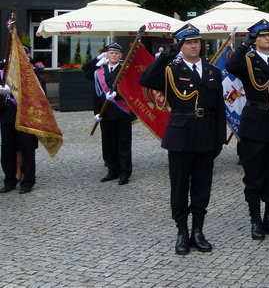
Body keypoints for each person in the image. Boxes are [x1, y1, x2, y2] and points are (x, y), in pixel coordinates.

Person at [140, 23, 227, 256]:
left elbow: (219, 107)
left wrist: (220, 138)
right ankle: (182, 231)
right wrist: (165, 57)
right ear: (181, 46)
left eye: (196, 42)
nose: (193, 46)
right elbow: (146, 80)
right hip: (180, 135)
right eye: (188, 43)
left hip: (206, 134)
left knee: (201, 187)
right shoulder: (171, 70)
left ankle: (198, 230)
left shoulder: (212, 72)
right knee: (179, 187)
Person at [226, 20, 269, 240]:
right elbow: (230, 67)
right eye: (262, 36)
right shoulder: (247, 60)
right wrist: (244, 45)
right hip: (255, 123)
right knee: (254, 175)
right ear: (255, 39)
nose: (267, 38)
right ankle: (255, 219)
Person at [83, 42, 136, 185]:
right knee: (108, 144)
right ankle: (113, 170)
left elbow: (131, 90)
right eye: (111, 53)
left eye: (116, 53)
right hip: (105, 113)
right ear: (107, 55)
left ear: (120, 56)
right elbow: (94, 92)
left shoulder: (124, 70)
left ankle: (125, 172)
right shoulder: (99, 71)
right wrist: (96, 112)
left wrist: (117, 95)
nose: (113, 55)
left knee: (123, 144)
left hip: (122, 112)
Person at [0, 66, 38, 194]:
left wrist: (13, 90)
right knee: (7, 152)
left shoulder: (28, 74)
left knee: (27, 151)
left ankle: (27, 182)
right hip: (7, 117)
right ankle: (9, 181)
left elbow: (35, 94)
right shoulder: (2, 75)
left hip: (25, 117)